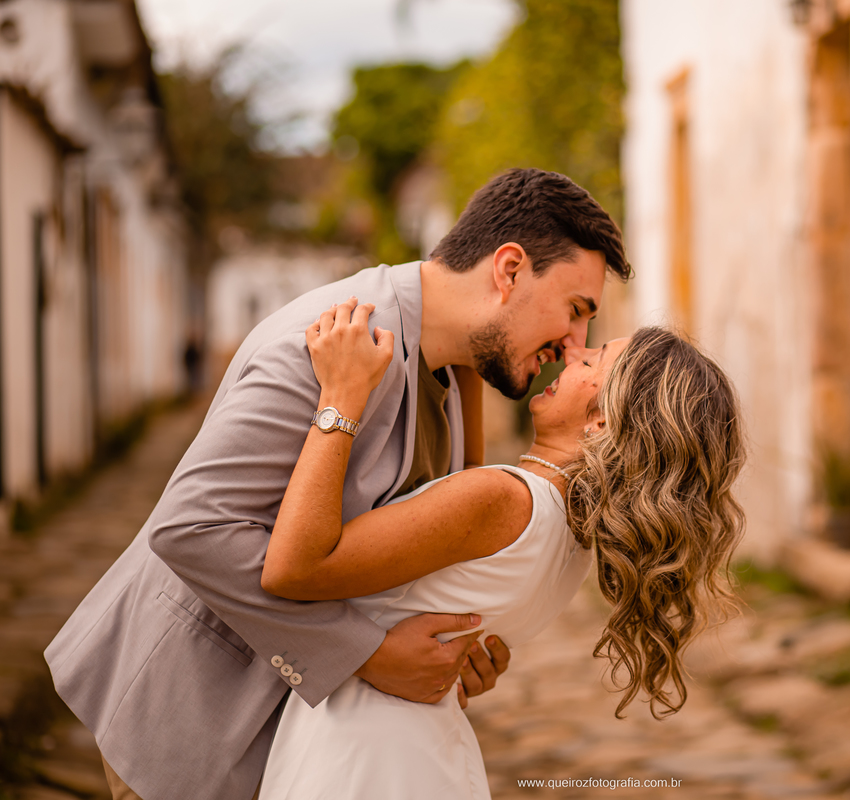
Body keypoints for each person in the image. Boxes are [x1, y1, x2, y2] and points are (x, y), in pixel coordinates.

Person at [44, 169, 630, 800]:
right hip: (190, 727)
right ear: (509, 270)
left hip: (306, 746)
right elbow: (192, 527)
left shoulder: (459, 368)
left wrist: (453, 649)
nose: (576, 344)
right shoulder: (333, 341)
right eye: (576, 311)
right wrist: (368, 654)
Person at [253, 299, 746, 799]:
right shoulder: (570, 540)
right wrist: (468, 352)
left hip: (362, 759)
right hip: (413, 752)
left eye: (593, 359)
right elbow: (461, 503)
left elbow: (294, 568)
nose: (574, 352)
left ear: (602, 421)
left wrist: (341, 397)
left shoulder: (503, 501)